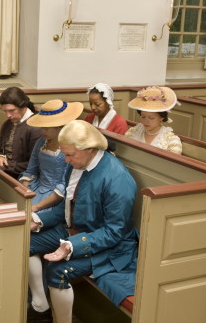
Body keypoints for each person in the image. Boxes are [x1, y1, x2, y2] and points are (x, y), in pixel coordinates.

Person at [29, 120, 138, 323]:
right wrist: (37, 220)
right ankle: (41, 306)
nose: (66, 160)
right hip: (74, 231)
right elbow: (67, 207)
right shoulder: (76, 164)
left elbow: (115, 232)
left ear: (89, 149)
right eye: (64, 154)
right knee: (23, 242)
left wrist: (72, 246)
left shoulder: (118, 178)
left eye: (70, 155)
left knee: (58, 271)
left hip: (112, 247)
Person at [19, 99, 83, 322]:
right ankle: (37, 299)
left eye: (46, 127)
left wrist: (36, 206)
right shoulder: (41, 143)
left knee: (26, 235)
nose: (42, 131)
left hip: (55, 202)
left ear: (60, 126)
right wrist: (24, 193)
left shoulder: (69, 148)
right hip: (36, 193)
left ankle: (39, 301)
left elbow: (64, 188)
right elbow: (31, 171)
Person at [0, 87, 42, 178]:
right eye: (5, 111)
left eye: (11, 110)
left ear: (23, 106)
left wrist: (5, 166)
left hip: (23, 177)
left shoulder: (35, 127)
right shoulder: (7, 124)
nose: (8, 115)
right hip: (7, 172)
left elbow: (33, 164)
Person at [125, 86, 182, 154]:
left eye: (151, 118)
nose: (146, 121)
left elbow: (173, 162)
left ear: (161, 117)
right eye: (143, 117)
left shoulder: (171, 139)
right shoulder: (133, 132)